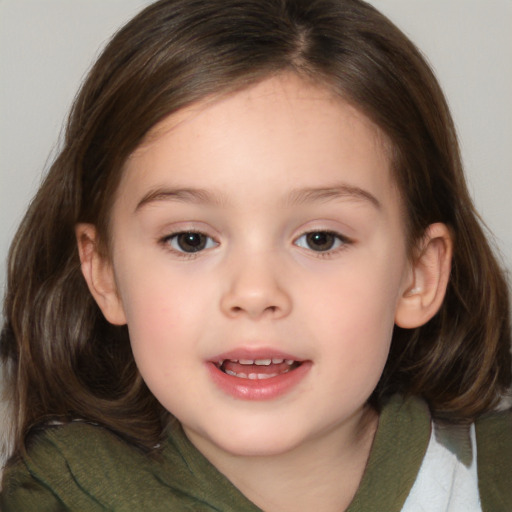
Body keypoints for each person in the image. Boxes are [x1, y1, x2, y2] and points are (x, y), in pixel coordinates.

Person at [1, 0, 510, 510]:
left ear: (417, 276)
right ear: (105, 274)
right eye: (191, 240)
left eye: (320, 239)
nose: (255, 293)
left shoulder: (493, 471)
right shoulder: (60, 495)